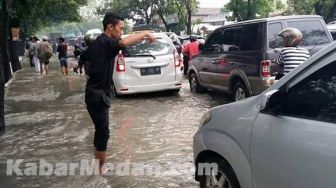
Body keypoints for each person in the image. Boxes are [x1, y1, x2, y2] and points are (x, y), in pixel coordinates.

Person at [83, 12, 155, 174]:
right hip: (97, 96)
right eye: (120, 28)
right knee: (103, 133)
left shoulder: (98, 43)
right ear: (110, 27)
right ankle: (101, 172)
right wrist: (145, 32)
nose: (121, 32)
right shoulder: (106, 43)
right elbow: (122, 43)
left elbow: (85, 56)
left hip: (93, 94)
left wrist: (141, 38)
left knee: (99, 130)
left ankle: (97, 165)